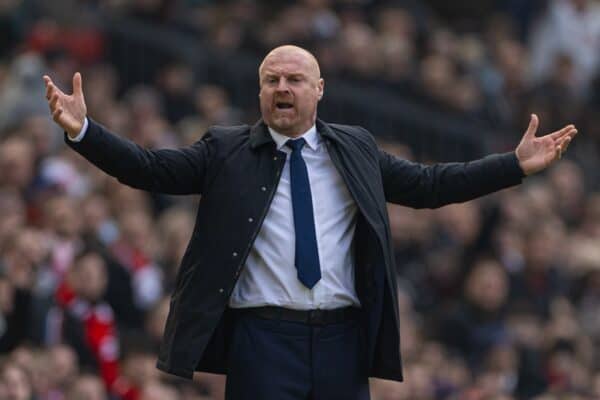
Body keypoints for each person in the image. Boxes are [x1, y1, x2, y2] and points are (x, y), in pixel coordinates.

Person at [43, 45, 577, 400]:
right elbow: (149, 169)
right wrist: (84, 131)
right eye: (271, 79)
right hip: (262, 338)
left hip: (343, 337)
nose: (282, 87)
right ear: (259, 92)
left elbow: (430, 185)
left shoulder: (356, 148)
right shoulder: (225, 150)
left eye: (295, 79)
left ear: (319, 89)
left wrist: (512, 165)